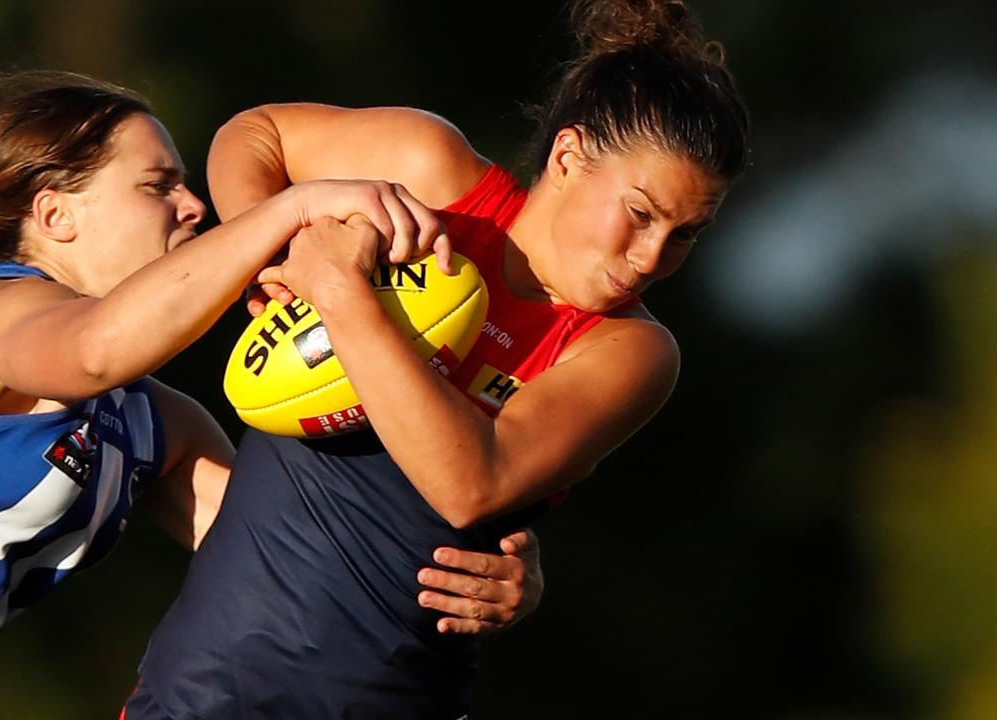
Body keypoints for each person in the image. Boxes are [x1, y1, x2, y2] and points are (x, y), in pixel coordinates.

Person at [0, 72, 542, 720]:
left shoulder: (151, 423)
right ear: (55, 216)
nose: (193, 206)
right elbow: (96, 347)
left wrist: (494, 576)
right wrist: (293, 207)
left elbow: (293, 558)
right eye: (158, 186)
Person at [125, 0, 750, 717]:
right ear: (569, 155)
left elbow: (469, 485)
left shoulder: (630, 351)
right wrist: (276, 250)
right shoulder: (428, 171)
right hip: (198, 691)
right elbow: (255, 134)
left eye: (684, 235)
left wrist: (338, 291)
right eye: (641, 214)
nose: (650, 258)